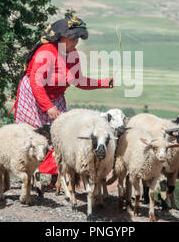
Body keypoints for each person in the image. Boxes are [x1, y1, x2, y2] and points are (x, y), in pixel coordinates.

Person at [9, 16, 114, 188]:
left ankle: (56, 178)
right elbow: (36, 83)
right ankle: (29, 176)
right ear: (59, 37)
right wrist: (48, 107)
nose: (76, 42)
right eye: (72, 38)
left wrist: (102, 83)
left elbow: (78, 80)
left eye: (78, 39)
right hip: (35, 96)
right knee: (33, 134)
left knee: (60, 135)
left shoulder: (72, 54)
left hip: (56, 98)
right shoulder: (46, 53)